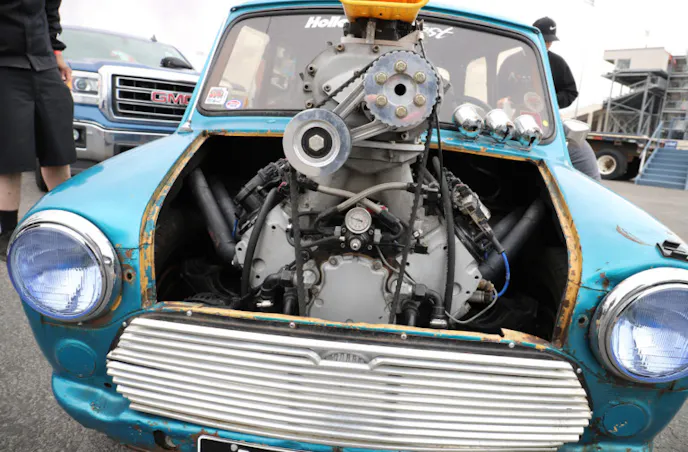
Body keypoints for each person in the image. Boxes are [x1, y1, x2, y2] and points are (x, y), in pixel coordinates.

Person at [0, 0, 76, 260]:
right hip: (5, 64)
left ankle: (65, 225)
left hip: (43, 63)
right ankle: (6, 234)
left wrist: (57, 54)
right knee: (9, 156)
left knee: (58, 149)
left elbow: (50, 11)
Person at [533, 16, 600, 180]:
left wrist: (549, 102)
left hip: (545, 123)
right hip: (514, 119)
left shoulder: (557, 63)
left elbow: (571, 92)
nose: (547, 44)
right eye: (543, 39)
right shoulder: (514, 60)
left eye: (549, 41)